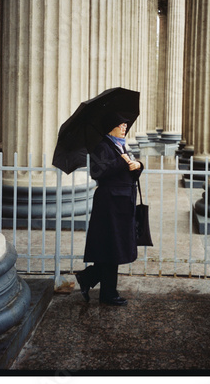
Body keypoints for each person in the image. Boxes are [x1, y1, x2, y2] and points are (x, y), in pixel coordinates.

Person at [75, 113, 143, 306]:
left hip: (123, 204)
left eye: (125, 124)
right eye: (121, 124)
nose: (124, 127)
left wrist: (138, 165)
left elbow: (130, 168)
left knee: (113, 248)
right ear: (110, 126)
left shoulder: (121, 144)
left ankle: (90, 279)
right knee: (112, 248)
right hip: (110, 204)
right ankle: (108, 293)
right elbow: (97, 172)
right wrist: (121, 161)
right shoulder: (102, 146)